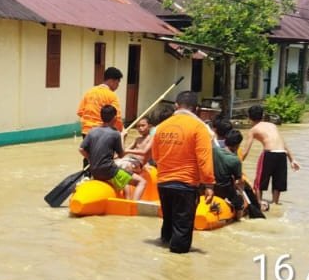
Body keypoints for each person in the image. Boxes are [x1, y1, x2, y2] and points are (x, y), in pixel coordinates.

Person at [146, 91, 215, 254]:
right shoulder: (199, 128)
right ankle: (176, 271)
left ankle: (162, 264)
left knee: (168, 224)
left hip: (163, 183)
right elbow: (204, 159)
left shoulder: (160, 128)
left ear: (176, 106)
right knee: (182, 233)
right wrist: (209, 184)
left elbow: (155, 157)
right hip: (186, 184)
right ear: (196, 109)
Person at [240, 104, 300, 206]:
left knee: (259, 181)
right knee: (278, 182)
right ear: (263, 116)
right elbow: (283, 143)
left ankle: (259, 202)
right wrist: (292, 159)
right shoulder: (272, 125)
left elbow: (245, 152)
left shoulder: (253, 130)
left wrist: (236, 164)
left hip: (269, 154)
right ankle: (275, 203)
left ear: (249, 117)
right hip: (282, 154)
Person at [79, 105, 131, 194]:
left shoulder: (92, 131)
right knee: (138, 181)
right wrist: (123, 136)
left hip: (94, 171)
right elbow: (122, 155)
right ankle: (130, 206)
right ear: (114, 118)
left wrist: (90, 159)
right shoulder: (115, 133)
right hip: (108, 171)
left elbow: (81, 149)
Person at [77, 67, 124, 137]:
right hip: (101, 133)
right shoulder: (111, 96)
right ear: (112, 81)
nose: (118, 86)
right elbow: (116, 117)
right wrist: (121, 130)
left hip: (86, 131)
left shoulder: (89, 92)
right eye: (117, 83)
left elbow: (80, 112)